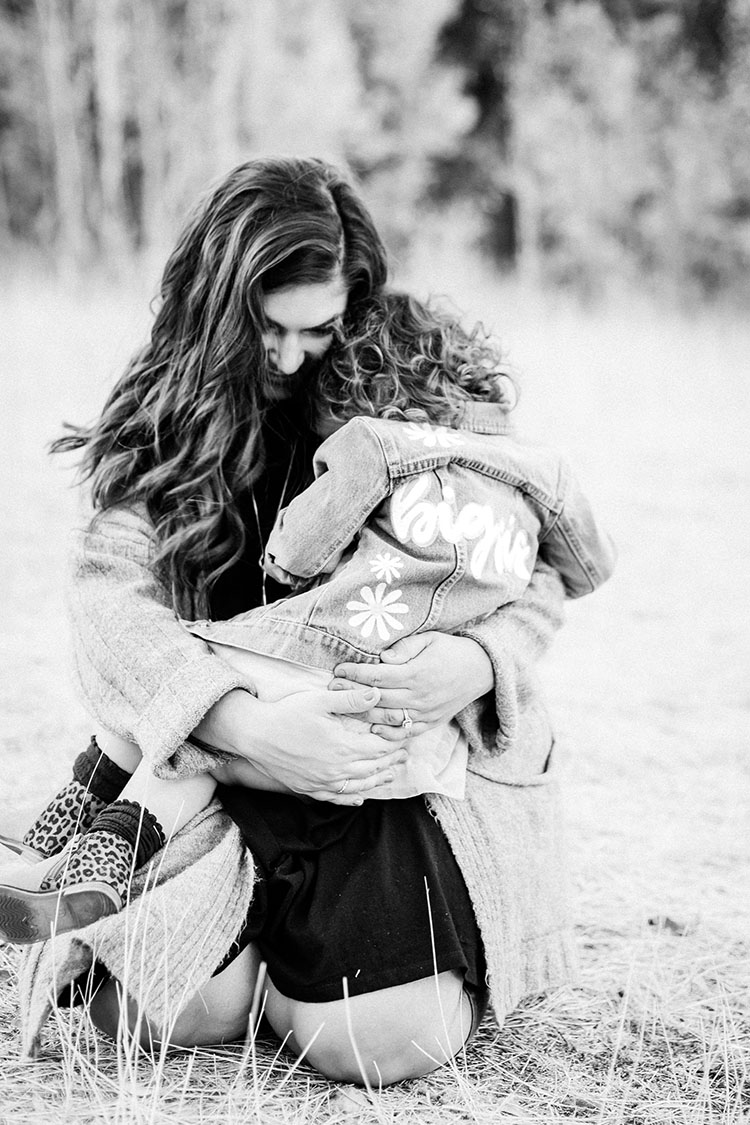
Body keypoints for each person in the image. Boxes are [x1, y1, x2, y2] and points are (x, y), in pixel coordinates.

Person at [2, 157, 602, 1086]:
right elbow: (108, 611)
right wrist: (247, 729)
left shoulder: (396, 392)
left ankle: (267, 949)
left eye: (314, 330)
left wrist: (477, 661)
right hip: (229, 756)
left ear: (354, 308)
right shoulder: (170, 426)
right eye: (264, 329)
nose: (287, 359)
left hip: (376, 774)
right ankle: (155, 887)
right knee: (170, 1011)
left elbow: (529, 572)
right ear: (217, 308)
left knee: (382, 1041)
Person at [0, 291, 614, 939]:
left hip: (328, 656)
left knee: (188, 701)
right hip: (418, 732)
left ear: (362, 396)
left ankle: (89, 868)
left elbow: (299, 548)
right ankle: (58, 840)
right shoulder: (544, 471)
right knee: (211, 745)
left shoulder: (378, 443)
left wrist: (286, 560)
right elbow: (587, 569)